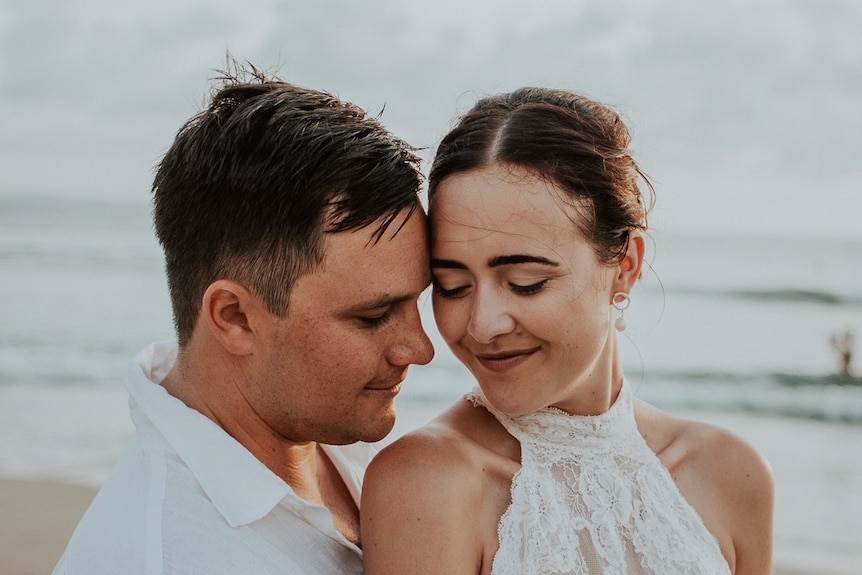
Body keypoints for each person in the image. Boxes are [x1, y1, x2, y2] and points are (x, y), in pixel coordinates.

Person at [361, 88, 774, 575]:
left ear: (625, 266)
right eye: (452, 286)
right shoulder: (425, 481)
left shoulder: (731, 473)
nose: (483, 324)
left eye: (526, 283)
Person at [53, 62, 434, 574]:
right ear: (234, 317)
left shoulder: (321, 420)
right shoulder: (169, 558)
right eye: (373, 316)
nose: (419, 347)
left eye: (418, 302)